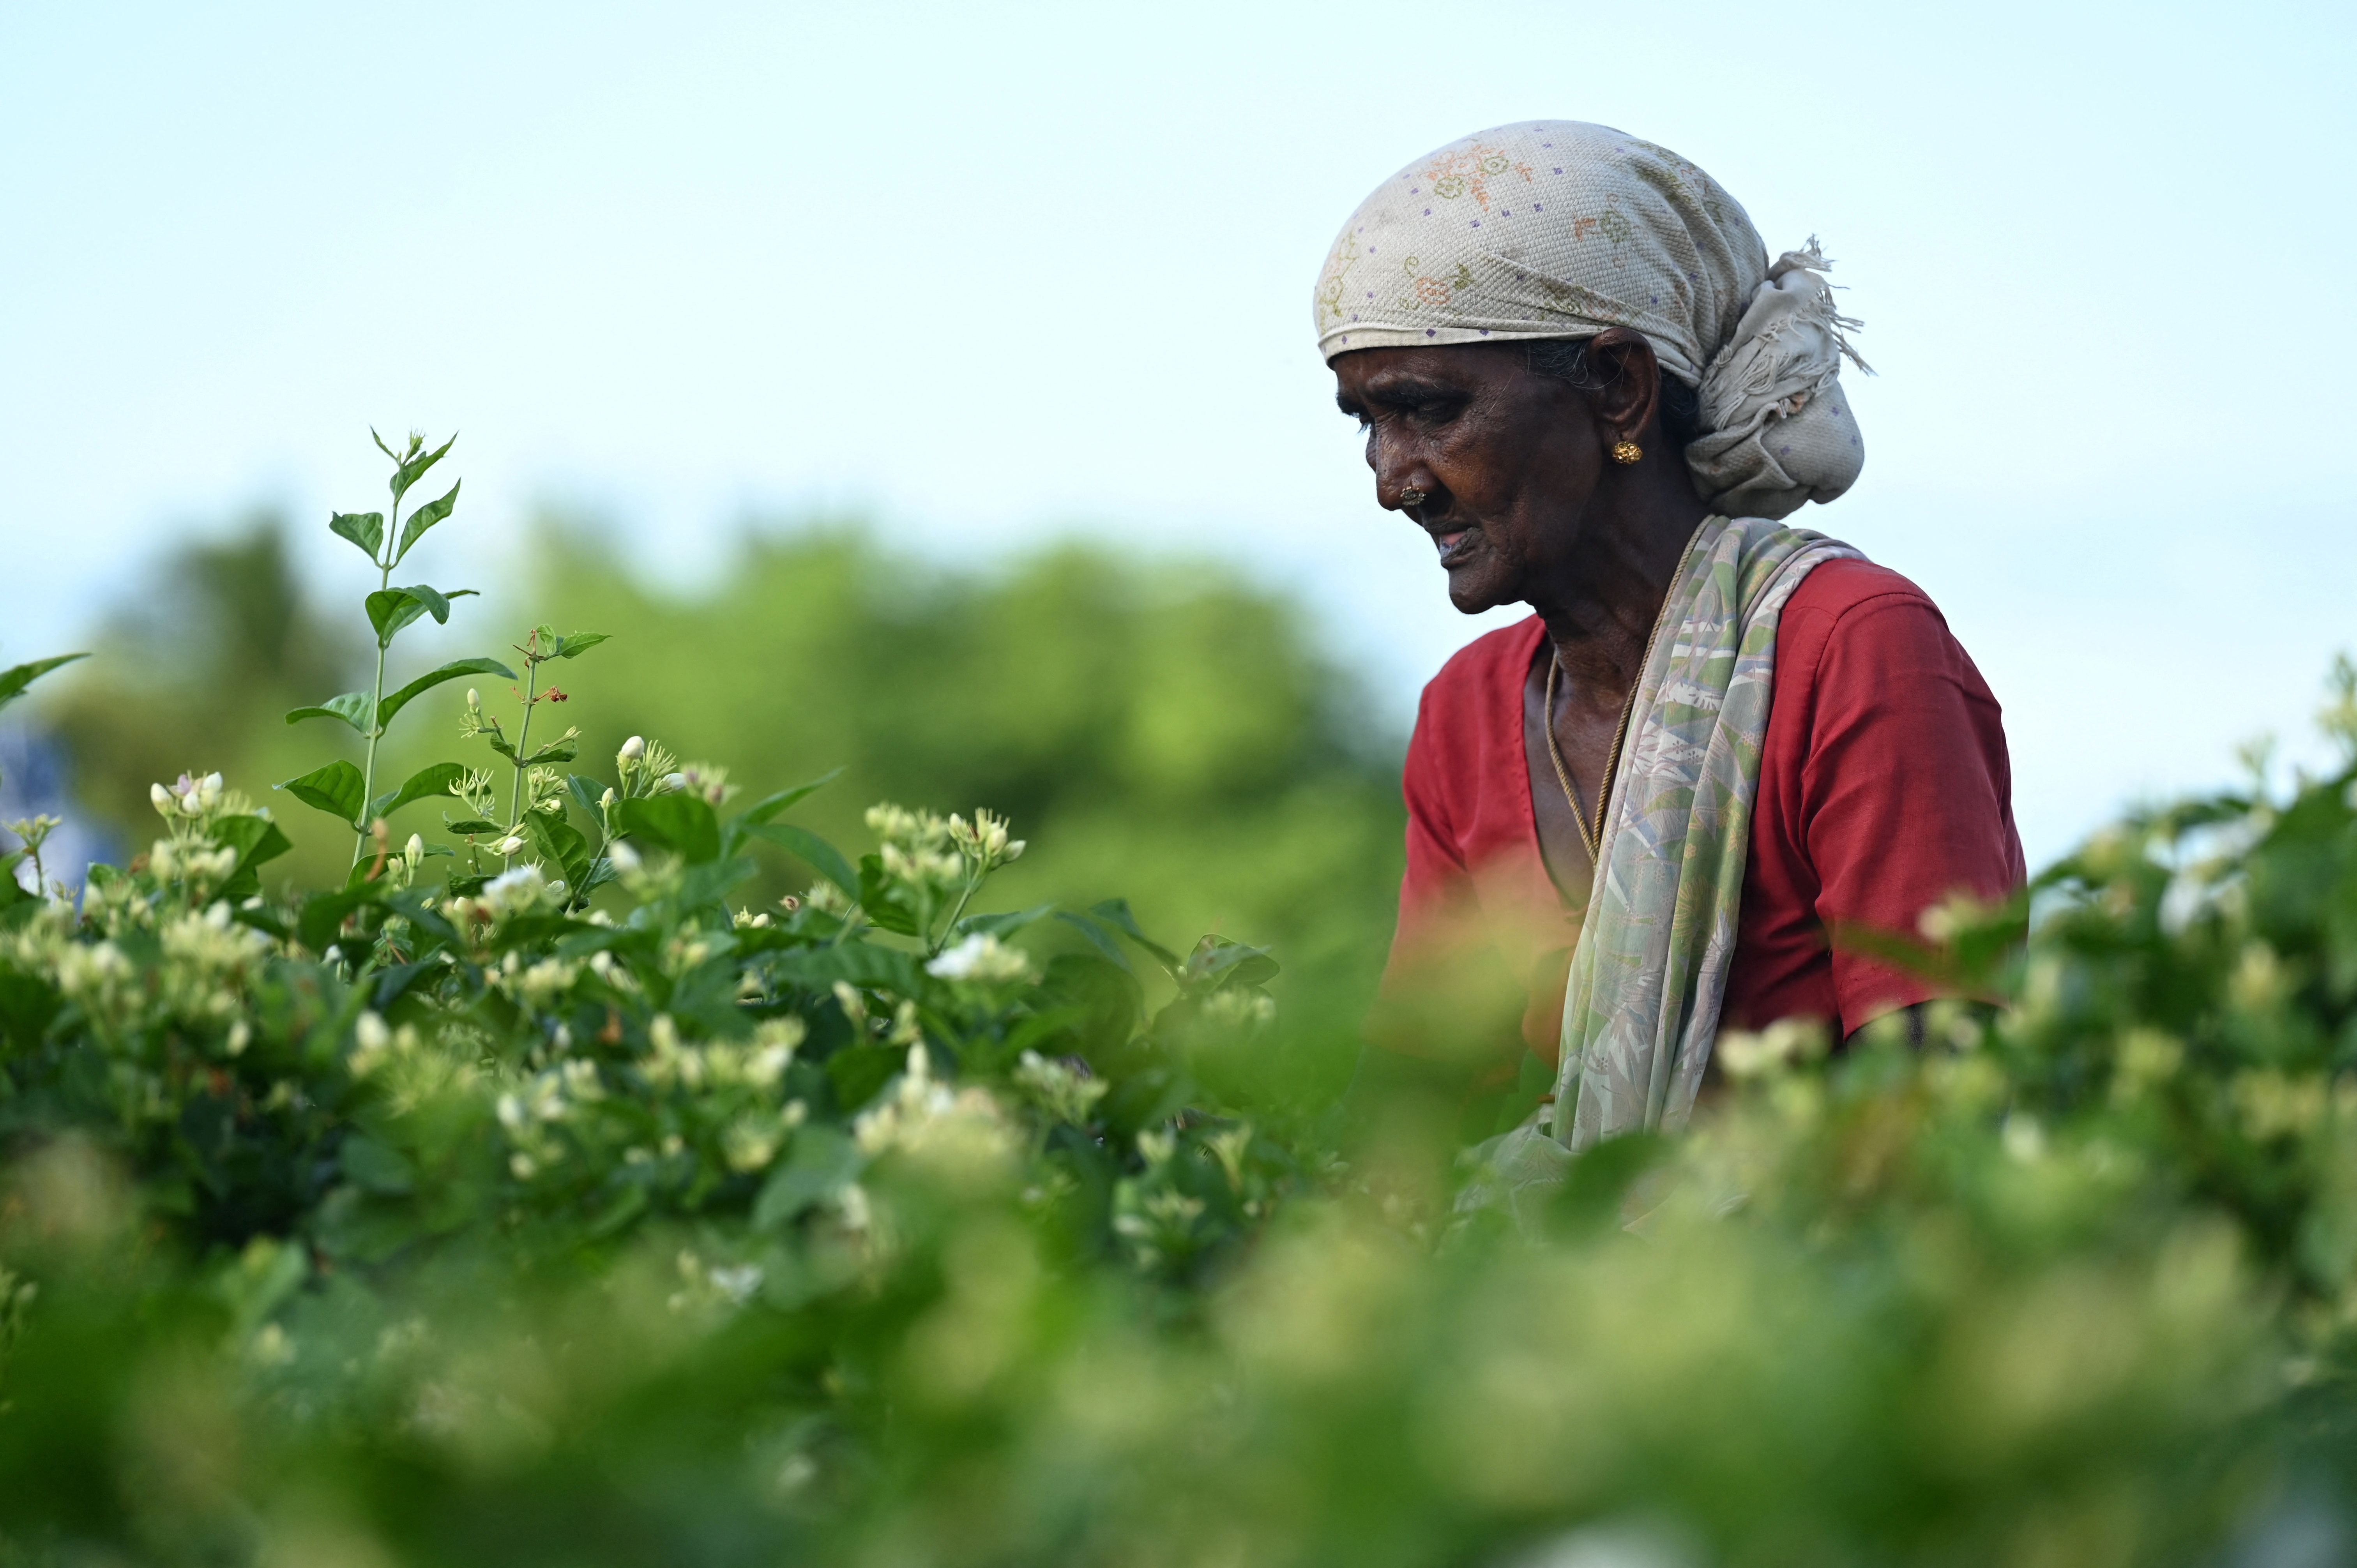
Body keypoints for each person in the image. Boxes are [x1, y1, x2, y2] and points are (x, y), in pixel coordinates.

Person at [1319, 122, 2023, 1156]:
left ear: (1617, 386)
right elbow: (1410, 1122)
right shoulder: (1466, 717)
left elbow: (1945, 1098)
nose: (1395, 480)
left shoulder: (1849, 650)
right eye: (1366, 424)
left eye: (1429, 411)